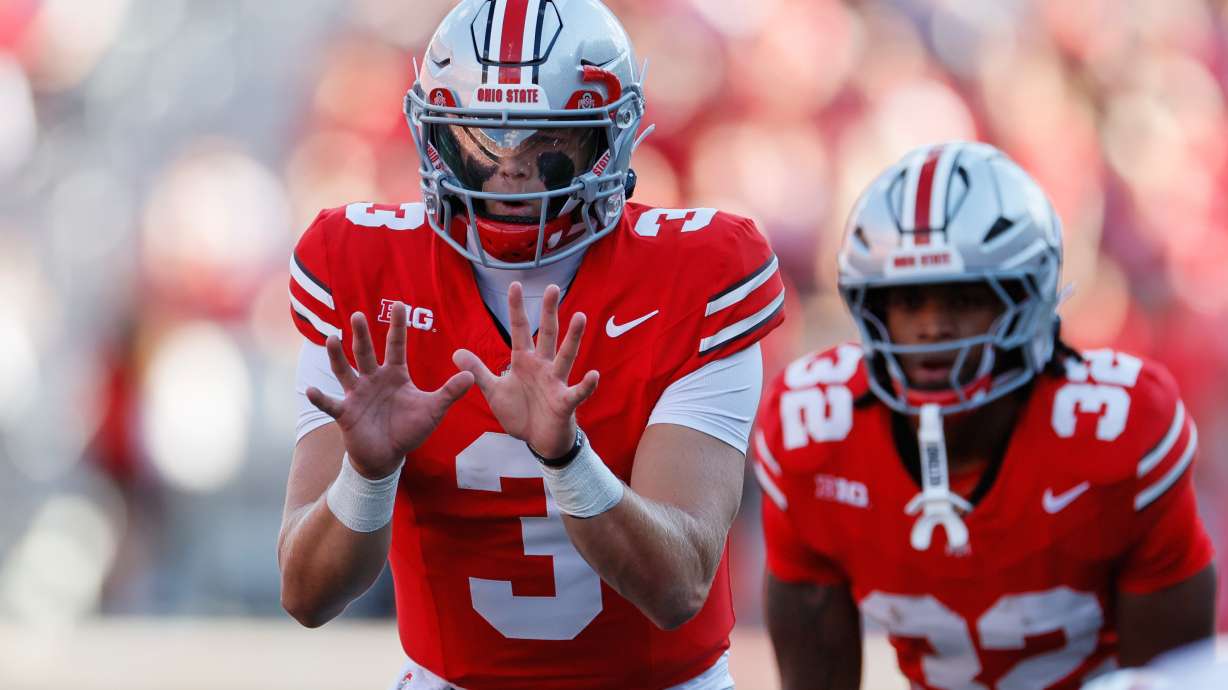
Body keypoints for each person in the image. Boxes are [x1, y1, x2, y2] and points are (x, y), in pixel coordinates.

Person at [277, 1, 785, 688]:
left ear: (610, 137)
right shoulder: (365, 266)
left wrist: (566, 458)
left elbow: (678, 588)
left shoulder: (699, 273)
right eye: (481, 141)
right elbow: (306, 595)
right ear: (434, 133)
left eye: (546, 141)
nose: (509, 171)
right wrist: (365, 477)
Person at [753, 141, 1216, 690]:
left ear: (1029, 298)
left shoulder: (1119, 427)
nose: (932, 328)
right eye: (908, 301)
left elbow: (1169, 679)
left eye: (964, 298)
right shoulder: (816, 431)